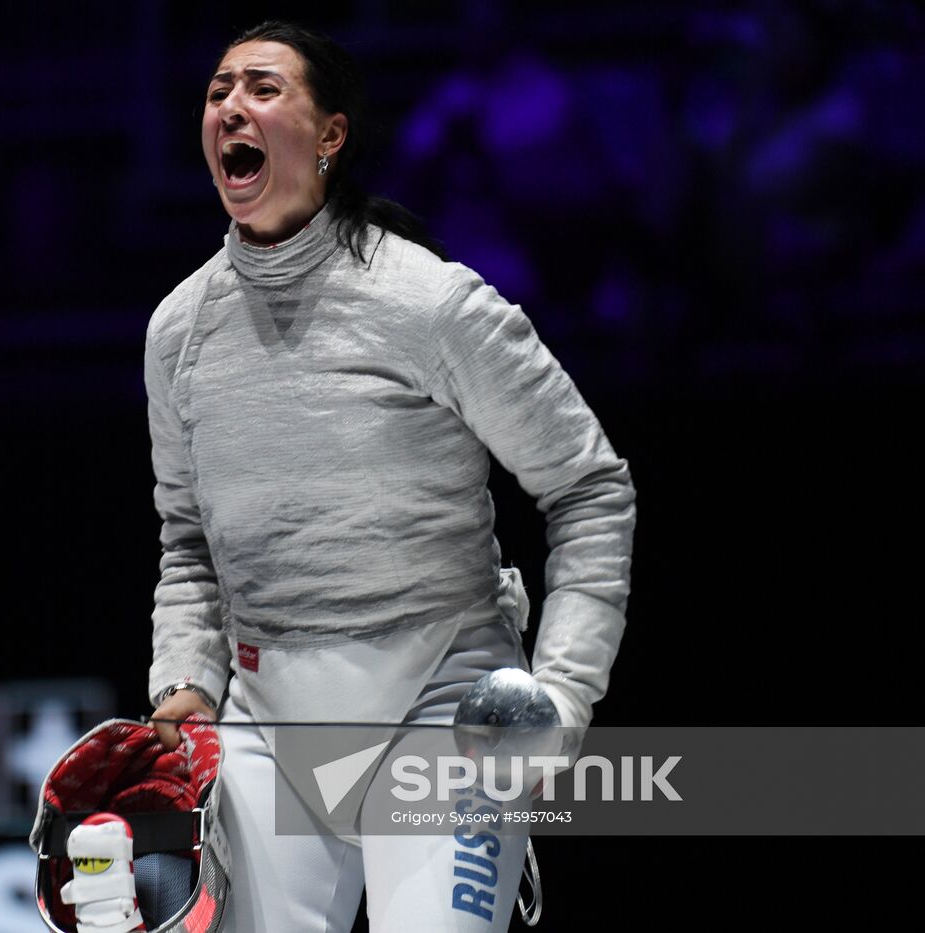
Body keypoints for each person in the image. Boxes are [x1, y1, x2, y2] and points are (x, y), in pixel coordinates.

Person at [143, 20, 635, 932]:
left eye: (261, 88)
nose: (230, 108)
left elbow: (589, 487)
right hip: (270, 716)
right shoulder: (178, 333)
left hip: (444, 698)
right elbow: (187, 542)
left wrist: (562, 694)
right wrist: (185, 682)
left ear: (330, 134)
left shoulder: (429, 303)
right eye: (217, 92)